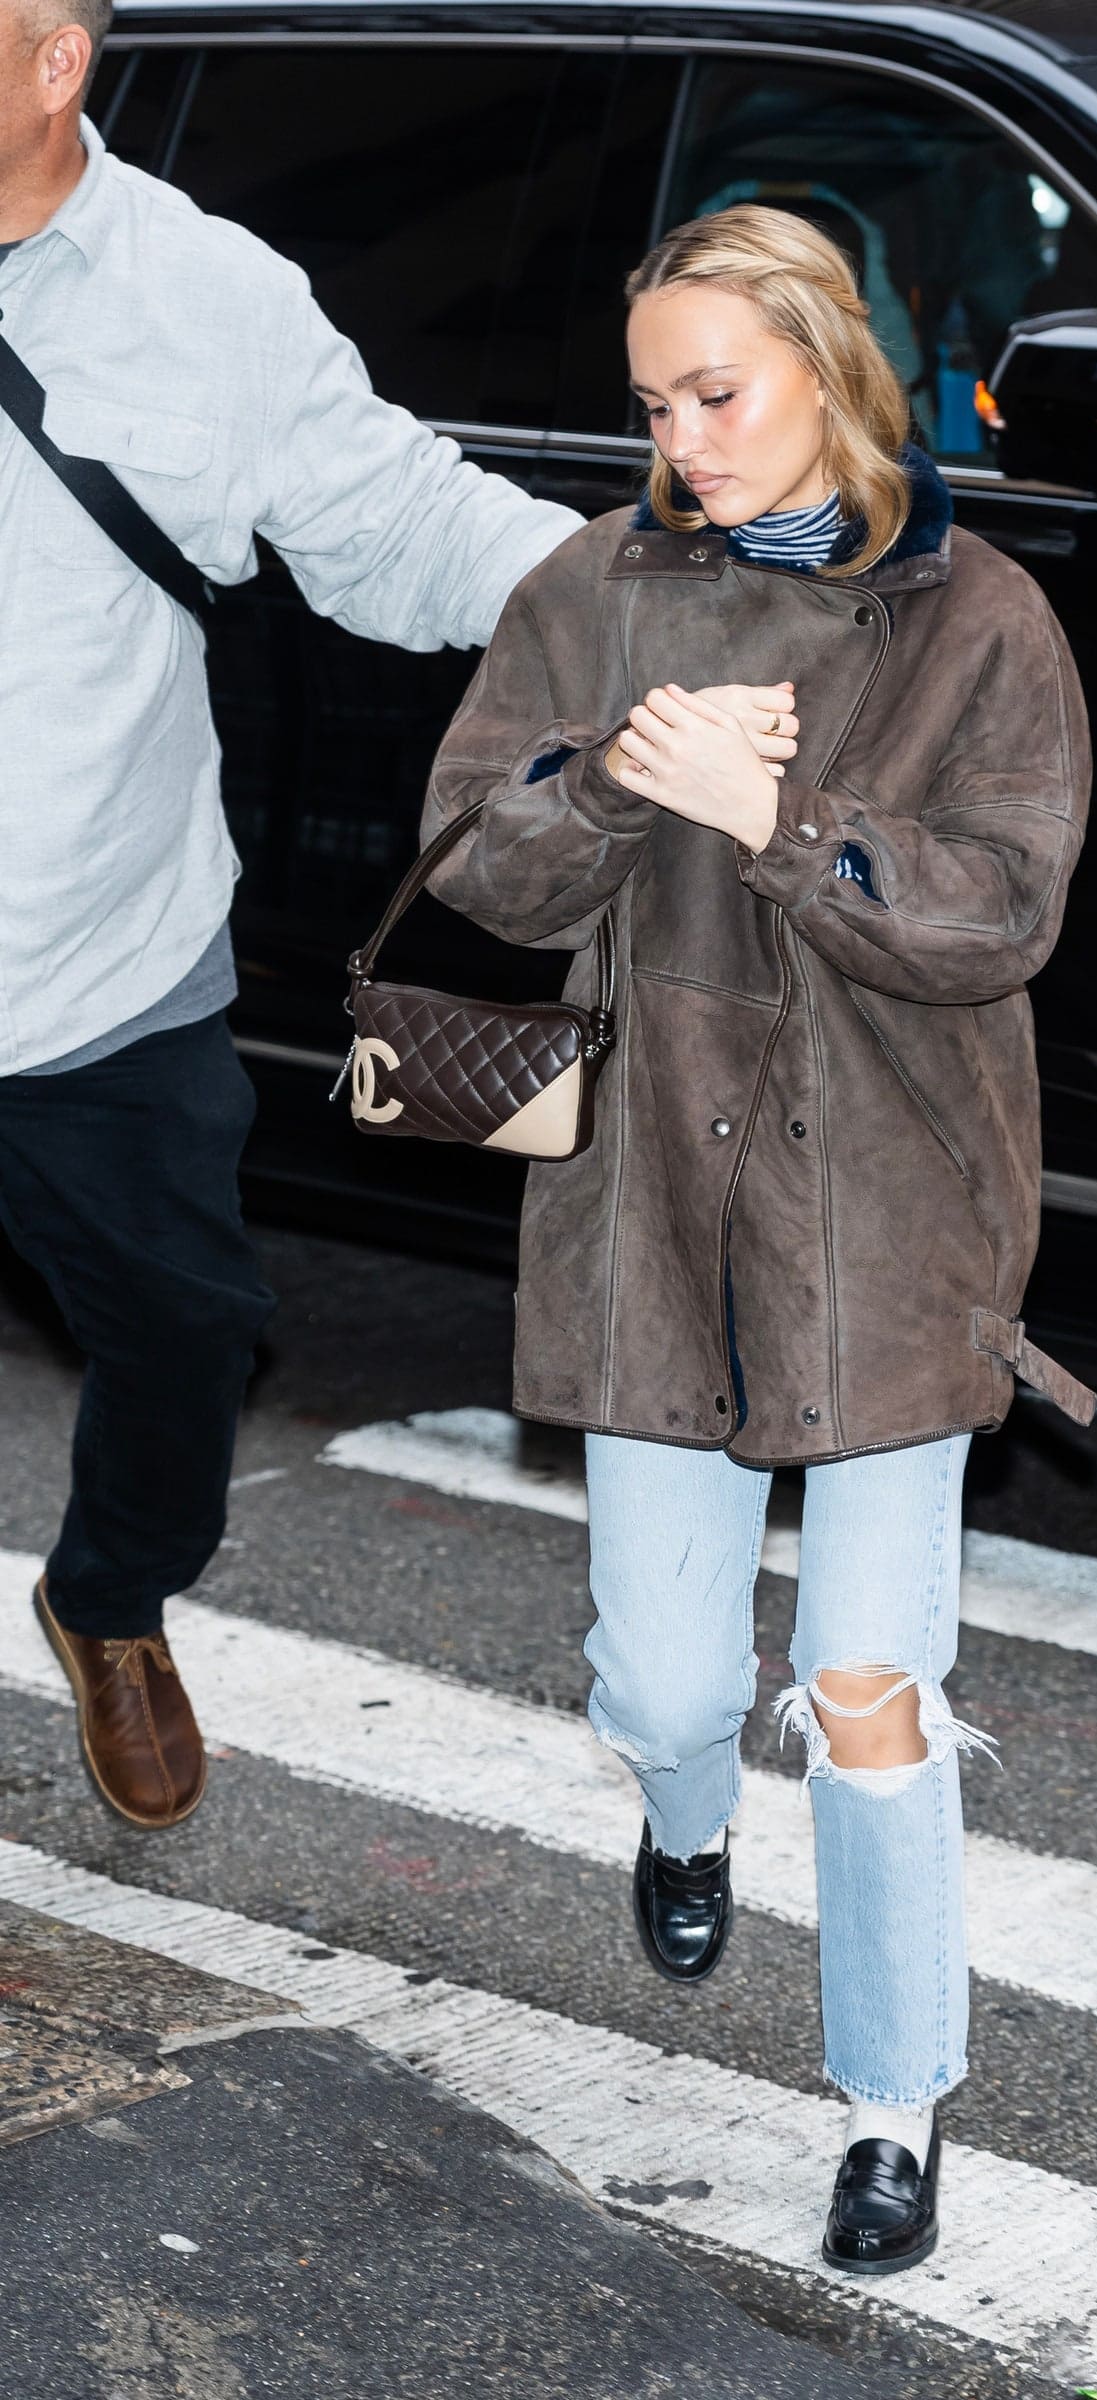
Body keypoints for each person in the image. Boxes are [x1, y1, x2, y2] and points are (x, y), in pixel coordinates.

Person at [421, 204, 1094, 2272]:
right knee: (660, 1670)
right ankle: (683, 1806)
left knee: (872, 1682)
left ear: (827, 370)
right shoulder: (591, 588)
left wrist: (784, 828)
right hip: (649, 1208)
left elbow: (999, 915)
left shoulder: (979, 619)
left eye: (716, 391)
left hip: (893, 1214)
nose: (682, 438)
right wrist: (631, 782)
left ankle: (890, 2111)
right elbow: (468, 855)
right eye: (653, 403)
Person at [0, 1, 587, 1830]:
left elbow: (397, 524)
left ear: (49, 62)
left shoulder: (209, 297)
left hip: (94, 966)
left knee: (190, 1335)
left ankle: (109, 1603)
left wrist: (646, 595)